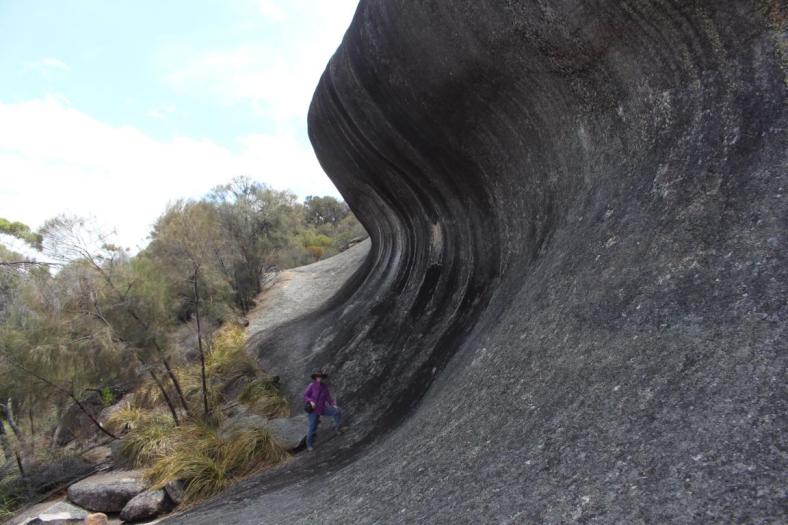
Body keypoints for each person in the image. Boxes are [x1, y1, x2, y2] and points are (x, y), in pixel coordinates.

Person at [303, 371, 345, 451]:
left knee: (337, 412)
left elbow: (328, 397)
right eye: (317, 377)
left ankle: (338, 428)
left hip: (322, 408)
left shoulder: (324, 386)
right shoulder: (311, 385)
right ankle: (309, 445)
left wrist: (333, 404)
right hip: (313, 410)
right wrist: (311, 401)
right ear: (315, 378)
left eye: (320, 377)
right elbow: (305, 396)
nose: (319, 378)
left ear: (322, 378)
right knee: (312, 427)